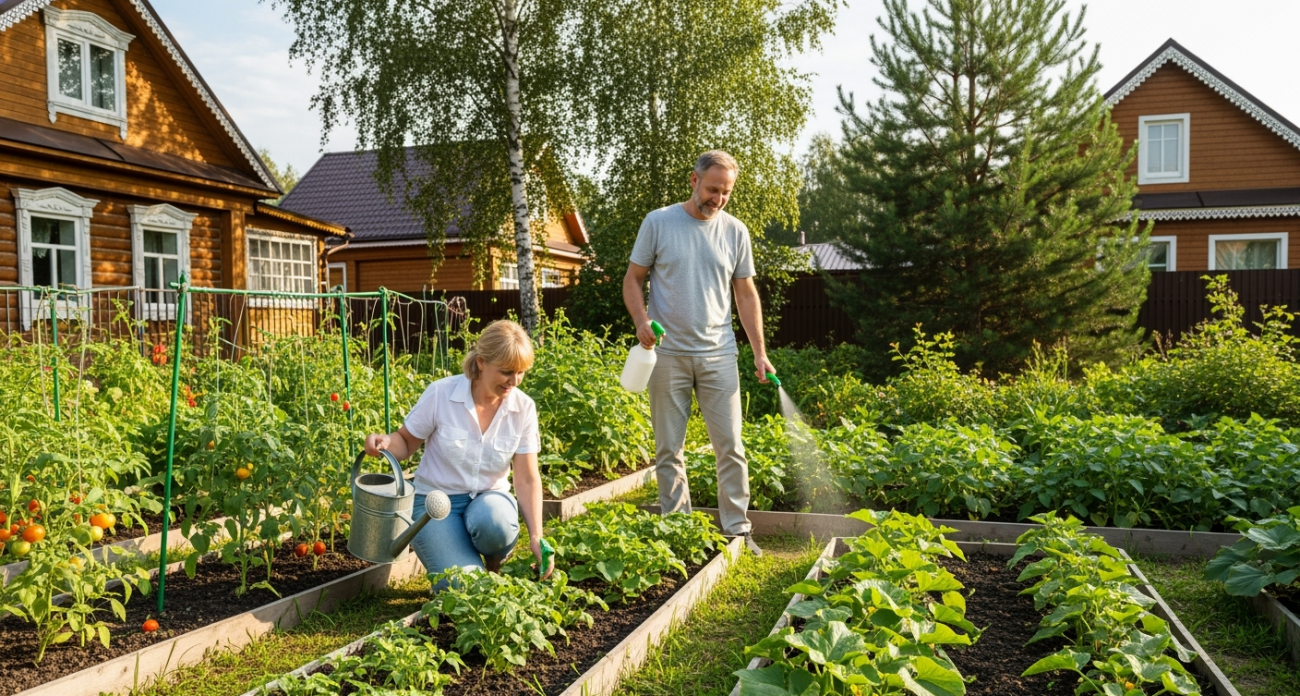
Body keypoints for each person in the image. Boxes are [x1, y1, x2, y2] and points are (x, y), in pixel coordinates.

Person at [622, 150, 776, 554]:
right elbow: (633, 280)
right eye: (712, 189)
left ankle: (738, 531)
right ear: (693, 180)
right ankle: (678, 532)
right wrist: (641, 321)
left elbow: (746, 294)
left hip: (719, 355)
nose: (718, 199)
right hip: (667, 355)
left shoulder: (735, 231)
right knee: (669, 449)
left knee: (731, 446)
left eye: (726, 192)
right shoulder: (658, 223)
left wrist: (759, 352)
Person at [363, 320, 553, 585]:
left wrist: (536, 536)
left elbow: (527, 478)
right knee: (462, 588)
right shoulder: (441, 394)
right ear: (481, 362)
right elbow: (405, 443)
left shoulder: (523, 408)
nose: (515, 381)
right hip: (435, 504)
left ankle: (493, 565)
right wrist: (384, 441)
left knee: (495, 524)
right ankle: (457, 555)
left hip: (490, 502)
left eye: (521, 372)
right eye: (507, 372)